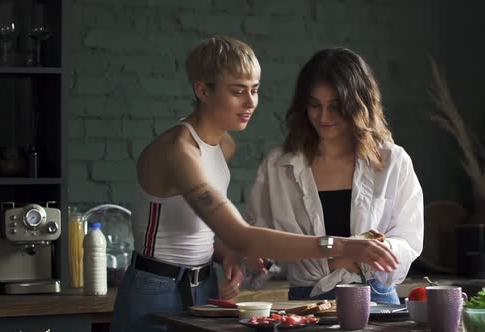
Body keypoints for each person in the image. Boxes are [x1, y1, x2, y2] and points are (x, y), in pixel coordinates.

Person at [110, 38, 399, 332]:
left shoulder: (224, 146)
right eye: (237, 91)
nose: (250, 103)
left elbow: (198, 228)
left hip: (204, 286)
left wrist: (227, 255)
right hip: (154, 287)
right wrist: (342, 246)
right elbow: (241, 235)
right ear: (202, 90)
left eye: (254, 90)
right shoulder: (178, 151)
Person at [244, 47, 423, 304]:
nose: (324, 117)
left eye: (336, 107)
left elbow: (410, 238)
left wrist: (377, 251)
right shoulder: (278, 165)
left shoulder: (393, 160)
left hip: (378, 298)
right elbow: (257, 237)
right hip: (306, 301)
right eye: (315, 106)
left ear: (358, 105)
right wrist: (257, 260)